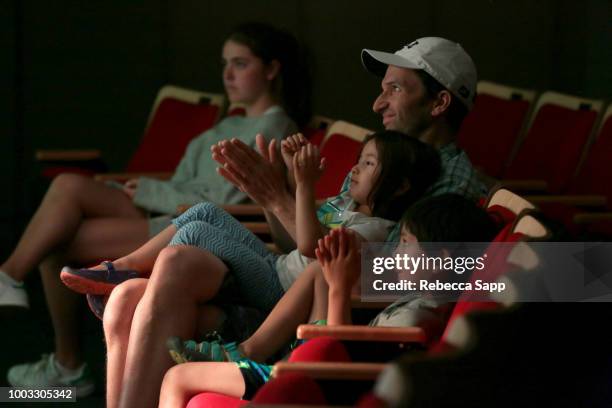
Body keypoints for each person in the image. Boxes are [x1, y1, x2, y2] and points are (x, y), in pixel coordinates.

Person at [2, 21, 309, 395]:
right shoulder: (227, 123)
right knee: (66, 189)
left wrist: (146, 190)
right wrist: (133, 188)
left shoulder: (274, 127)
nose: (227, 74)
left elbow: (222, 198)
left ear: (272, 70)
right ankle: (18, 287)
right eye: (224, 63)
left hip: (191, 222)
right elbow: (184, 182)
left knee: (55, 240)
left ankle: (67, 362)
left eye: (240, 64)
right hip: (168, 210)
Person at [72, 130, 438, 408]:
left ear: (401, 185)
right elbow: (290, 241)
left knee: (196, 231)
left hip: (278, 294)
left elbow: (312, 247)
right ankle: (123, 270)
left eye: (370, 163)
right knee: (202, 214)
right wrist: (272, 190)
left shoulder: (375, 232)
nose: (355, 168)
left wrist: (302, 185)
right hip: (277, 267)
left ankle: (126, 268)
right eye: (360, 158)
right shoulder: (345, 209)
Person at [157, 194, 497, 406]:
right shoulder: (426, 300)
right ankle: (247, 351)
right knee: (321, 270)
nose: (397, 251)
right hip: (312, 365)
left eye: (408, 244)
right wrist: (333, 277)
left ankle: (248, 355)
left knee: (178, 378)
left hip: (313, 384)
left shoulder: (416, 320)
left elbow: (339, 361)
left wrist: (339, 288)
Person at [213, 36, 487, 252]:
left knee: (191, 250)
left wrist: (278, 199)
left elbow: (378, 278)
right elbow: (295, 246)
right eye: (383, 90)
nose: (377, 104)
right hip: (295, 285)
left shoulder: (453, 187)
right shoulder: (384, 158)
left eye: (396, 89)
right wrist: (271, 198)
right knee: (200, 227)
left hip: (336, 314)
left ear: (439, 102)